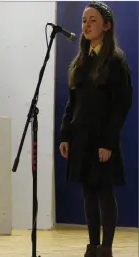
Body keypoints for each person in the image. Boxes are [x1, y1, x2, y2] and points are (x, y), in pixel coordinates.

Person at [59, 2, 133, 257]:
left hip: (101, 139)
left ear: (107, 25)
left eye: (92, 20)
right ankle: (92, 245)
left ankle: (106, 247)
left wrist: (107, 142)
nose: (86, 25)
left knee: (103, 191)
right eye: (84, 20)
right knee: (88, 192)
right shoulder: (81, 61)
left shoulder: (115, 61)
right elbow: (72, 103)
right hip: (80, 137)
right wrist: (65, 135)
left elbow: (121, 105)